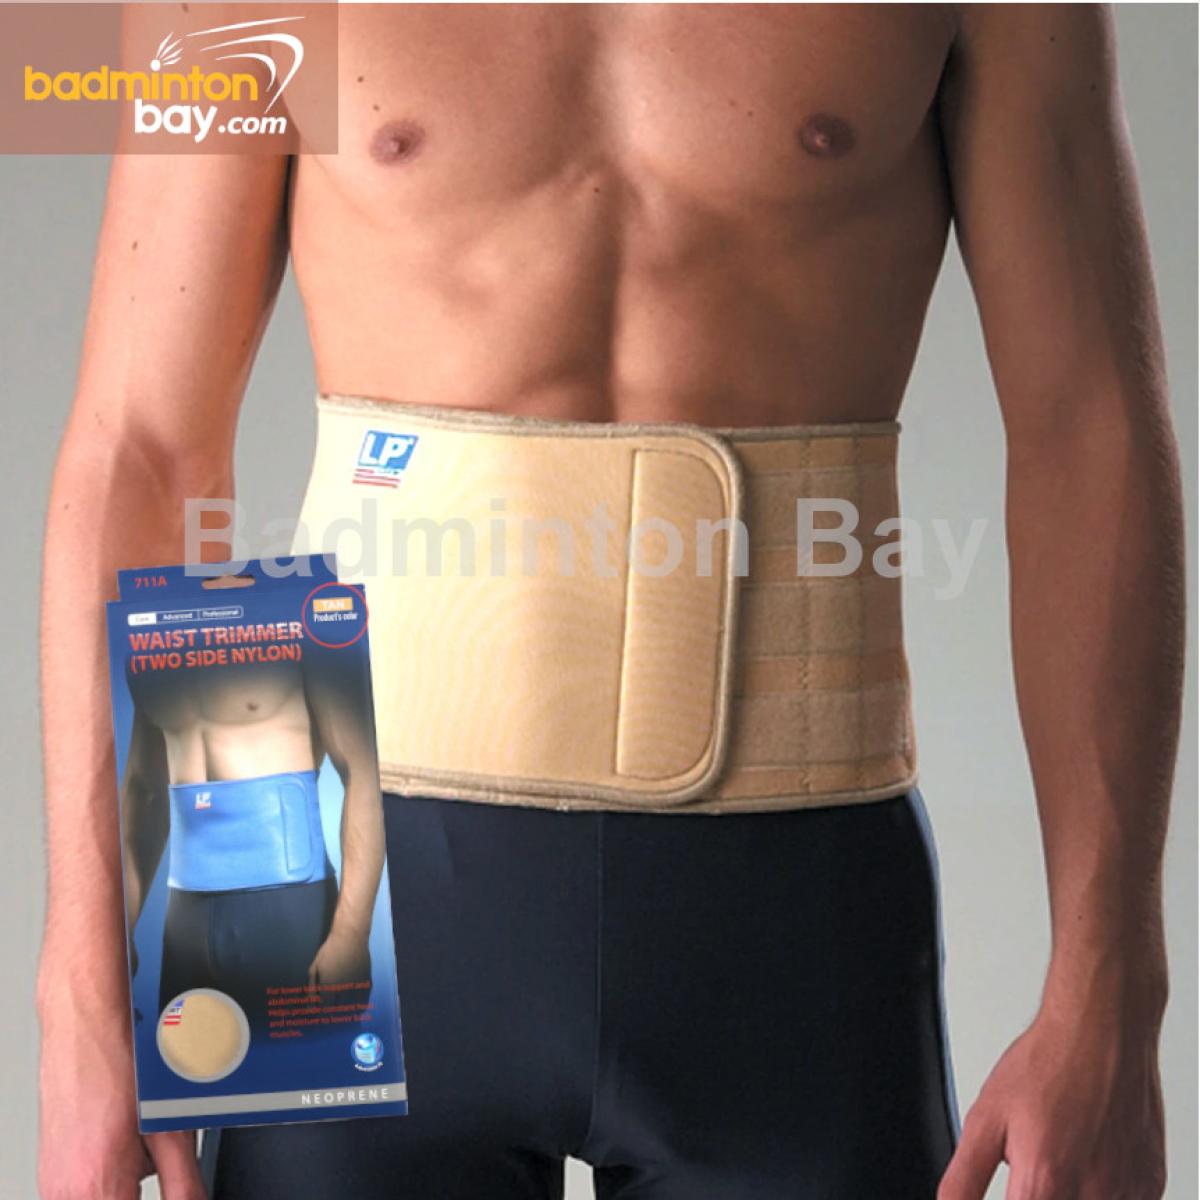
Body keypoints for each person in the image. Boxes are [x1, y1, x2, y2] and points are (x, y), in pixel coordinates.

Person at [38, 5, 1181, 1199]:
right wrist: (84, 993)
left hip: (793, 917)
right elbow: (142, 448)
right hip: (337, 907)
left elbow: (1086, 426)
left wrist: (1113, 986)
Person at [121, 654, 382, 1030]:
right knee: (189, 1063)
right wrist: (123, 925)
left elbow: (363, 768)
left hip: (288, 909)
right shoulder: (148, 645)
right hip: (186, 918)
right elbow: (145, 790)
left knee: (300, 1061)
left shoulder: (297, 625)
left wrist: (352, 933)